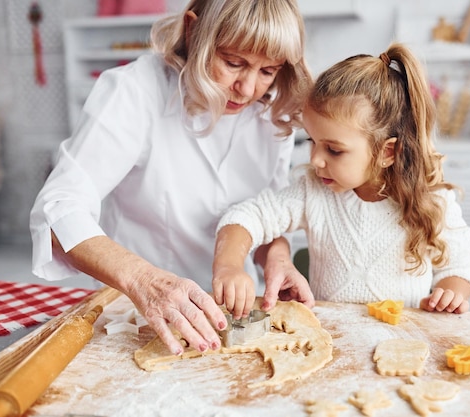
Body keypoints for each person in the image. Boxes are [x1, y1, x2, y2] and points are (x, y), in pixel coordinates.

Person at [29, 0, 315, 356]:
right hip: (136, 315)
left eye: (268, 70)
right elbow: (58, 213)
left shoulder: (274, 111)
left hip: (232, 318)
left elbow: (265, 215)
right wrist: (144, 280)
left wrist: (277, 256)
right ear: (194, 31)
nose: (247, 88)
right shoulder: (134, 91)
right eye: (233, 63)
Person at [212, 42, 470, 319]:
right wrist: (230, 265)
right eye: (312, 142)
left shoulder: (433, 201)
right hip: (335, 344)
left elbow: (460, 266)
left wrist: (450, 292)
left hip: (405, 344)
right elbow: (246, 216)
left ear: (387, 152)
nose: (316, 159)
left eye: (334, 150)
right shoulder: (312, 191)